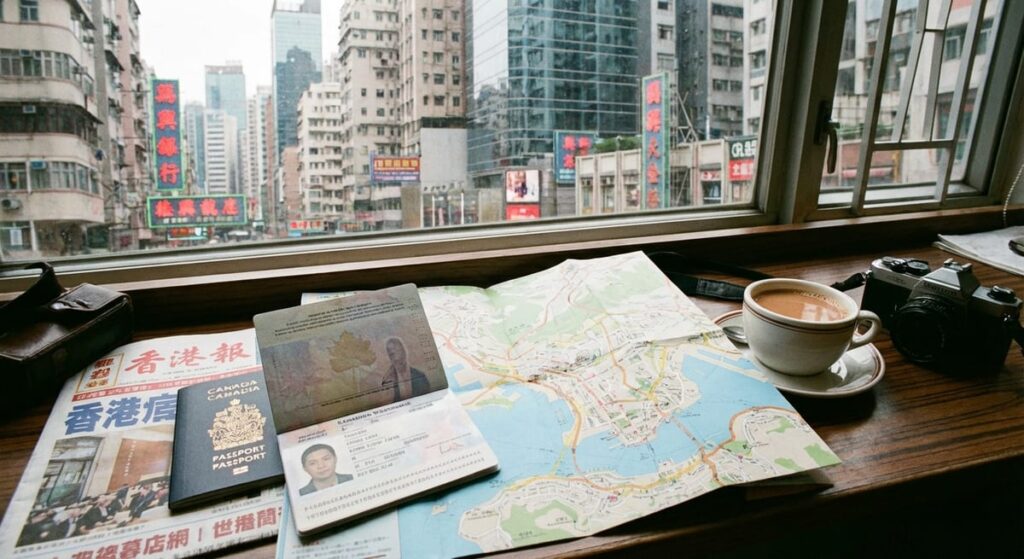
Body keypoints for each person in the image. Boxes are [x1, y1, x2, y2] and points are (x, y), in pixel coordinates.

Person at [380, 337, 430, 403]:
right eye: (392, 354)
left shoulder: (420, 376)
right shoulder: (387, 381)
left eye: (398, 351)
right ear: (389, 357)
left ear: (404, 351)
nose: (396, 358)